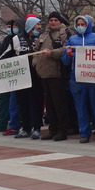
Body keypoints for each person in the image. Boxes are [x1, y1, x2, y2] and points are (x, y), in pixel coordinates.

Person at [62, 15, 95, 144]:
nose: (80, 26)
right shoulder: (72, 40)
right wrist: (68, 55)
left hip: (94, 79)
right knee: (81, 108)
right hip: (77, 79)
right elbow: (65, 61)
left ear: (89, 25)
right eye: (78, 24)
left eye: (83, 24)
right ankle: (84, 133)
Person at [36, 12, 71, 141]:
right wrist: (36, 63)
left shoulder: (64, 33)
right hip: (44, 73)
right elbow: (36, 51)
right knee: (49, 104)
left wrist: (52, 53)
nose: (53, 22)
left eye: (56, 20)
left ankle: (62, 130)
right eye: (51, 20)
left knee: (59, 103)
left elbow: (67, 49)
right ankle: (53, 129)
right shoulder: (43, 34)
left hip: (57, 73)